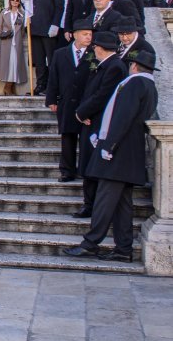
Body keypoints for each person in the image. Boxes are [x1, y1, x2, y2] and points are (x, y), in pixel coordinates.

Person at [64, 50, 158, 262]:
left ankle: (90, 243)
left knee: (104, 201)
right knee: (123, 204)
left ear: (134, 66)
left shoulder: (134, 84)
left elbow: (122, 117)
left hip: (118, 153)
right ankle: (123, 248)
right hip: (129, 153)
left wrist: (108, 145)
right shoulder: (149, 85)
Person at [73, 30, 127, 218]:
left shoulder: (115, 67)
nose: (93, 48)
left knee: (93, 166)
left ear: (101, 48)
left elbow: (103, 96)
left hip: (99, 123)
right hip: (91, 120)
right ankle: (89, 204)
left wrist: (82, 112)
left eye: (95, 46)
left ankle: (92, 206)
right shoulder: (105, 65)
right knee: (88, 165)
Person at [46, 19, 94, 183]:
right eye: (85, 34)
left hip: (86, 101)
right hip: (67, 101)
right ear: (75, 35)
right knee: (67, 136)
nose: (89, 37)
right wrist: (51, 98)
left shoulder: (94, 54)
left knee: (86, 137)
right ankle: (67, 170)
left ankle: (85, 168)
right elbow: (54, 77)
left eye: (90, 34)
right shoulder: (61, 53)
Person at [30, 0, 66, 95]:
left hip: (49, 28)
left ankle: (52, 87)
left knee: (51, 60)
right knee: (39, 61)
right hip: (35, 28)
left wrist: (55, 24)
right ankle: (40, 85)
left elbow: (60, 6)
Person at [0, 0, 29, 95]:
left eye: (17, 0)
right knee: (6, 66)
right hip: (6, 43)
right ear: (10, 0)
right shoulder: (4, 13)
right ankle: (6, 87)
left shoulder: (22, 15)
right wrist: (4, 34)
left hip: (16, 43)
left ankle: (10, 86)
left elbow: (22, 31)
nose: (14, 1)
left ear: (19, 2)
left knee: (15, 65)